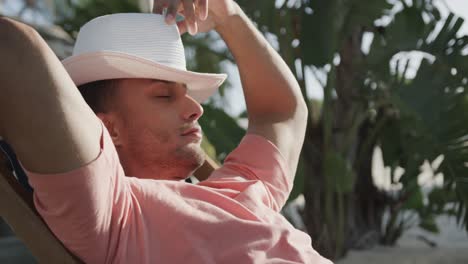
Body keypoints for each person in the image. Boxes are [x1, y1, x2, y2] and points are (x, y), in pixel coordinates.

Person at [0, 0, 331, 263]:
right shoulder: (117, 217)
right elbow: (12, 51)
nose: (196, 108)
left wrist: (227, 13)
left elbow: (283, 112)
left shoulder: (239, 187)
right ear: (108, 127)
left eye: (185, 92)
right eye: (163, 95)